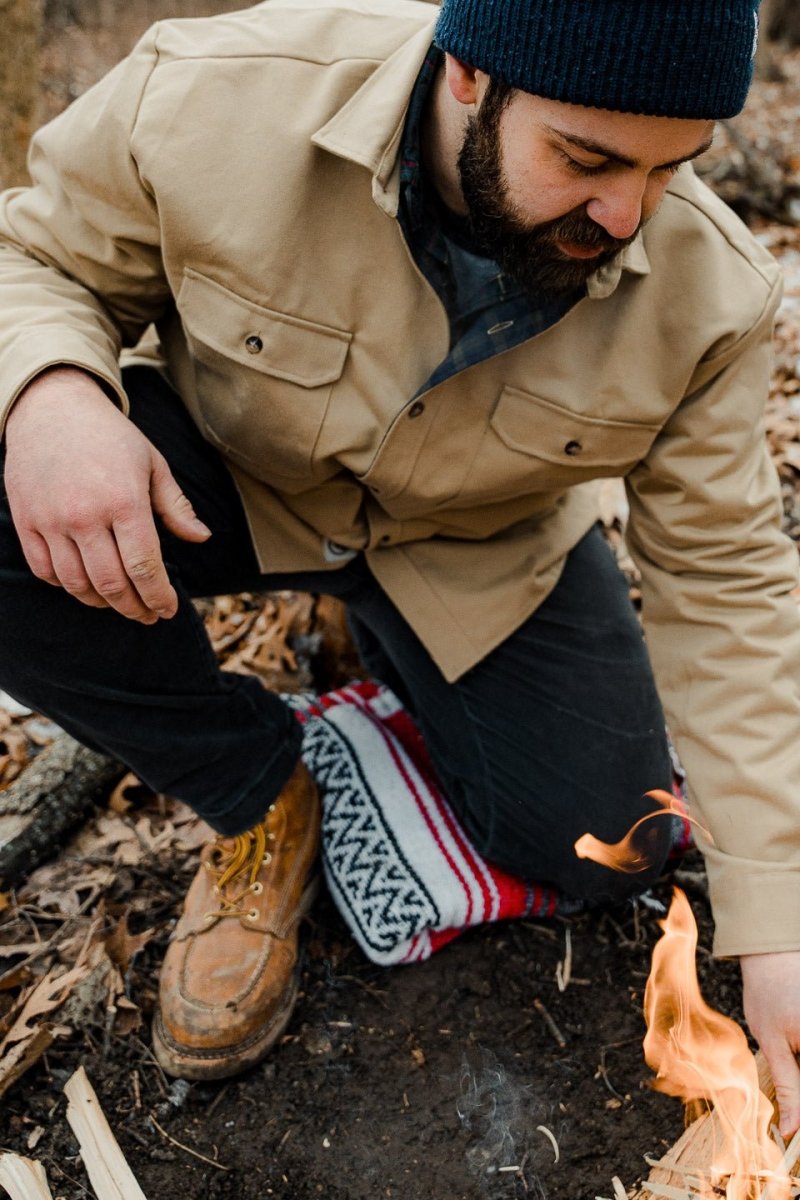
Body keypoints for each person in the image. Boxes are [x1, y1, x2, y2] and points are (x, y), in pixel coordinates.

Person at [0, 0, 798, 1126]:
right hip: (217, 483)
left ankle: (376, 649)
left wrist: (777, 925)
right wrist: (47, 393)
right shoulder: (213, 98)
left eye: (672, 170)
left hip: (469, 548)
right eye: (586, 158)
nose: (624, 216)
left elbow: (723, 579)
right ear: (465, 77)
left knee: (605, 848)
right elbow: (24, 250)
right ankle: (256, 785)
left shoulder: (709, 290)